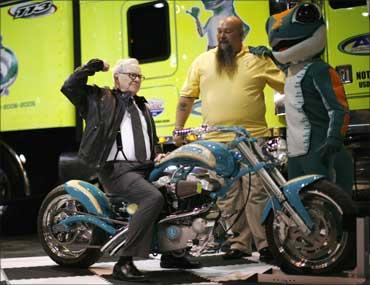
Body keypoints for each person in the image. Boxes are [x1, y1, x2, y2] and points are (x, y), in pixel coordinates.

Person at [61, 58, 200, 282]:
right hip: (117, 170)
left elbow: (149, 138)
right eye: (131, 75)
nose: (136, 79)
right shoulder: (100, 98)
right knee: (152, 198)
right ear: (117, 78)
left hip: (146, 167)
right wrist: (91, 67)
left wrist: (157, 154)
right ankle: (124, 262)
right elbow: (69, 87)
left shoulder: (142, 105)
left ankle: (174, 252)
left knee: (184, 185)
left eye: (139, 76)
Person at [174, 16, 285, 262]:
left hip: (251, 139)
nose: (222, 36)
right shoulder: (202, 61)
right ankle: (238, 244)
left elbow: (287, 84)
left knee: (257, 192)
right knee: (228, 193)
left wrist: (277, 58)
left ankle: (265, 243)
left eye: (228, 32)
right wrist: (178, 129)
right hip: (216, 141)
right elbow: (186, 97)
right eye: (220, 32)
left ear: (241, 35)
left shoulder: (257, 59)